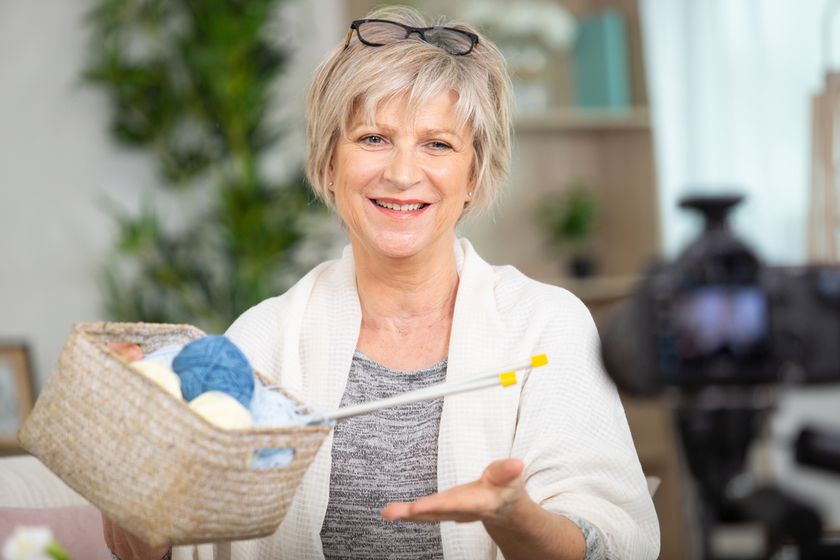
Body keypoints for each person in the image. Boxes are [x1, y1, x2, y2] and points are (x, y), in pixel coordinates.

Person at [104, 5, 659, 560]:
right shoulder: (263, 340)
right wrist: (138, 454)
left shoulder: (546, 327)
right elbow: (161, 552)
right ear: (328, 163)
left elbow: (610, 544)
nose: (400, 172)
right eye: (373, 138)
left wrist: (513, 517)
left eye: (438, 144)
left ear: (474, 174)